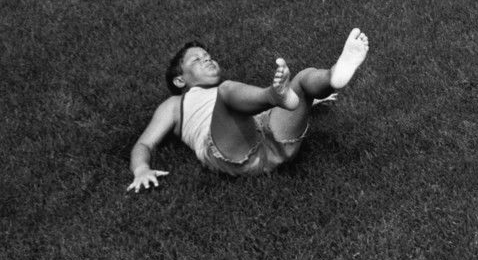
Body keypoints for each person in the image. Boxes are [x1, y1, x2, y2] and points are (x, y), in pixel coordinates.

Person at [127, 28, 369, 191]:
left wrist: (308, 103)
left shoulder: (229, 92)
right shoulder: (174, 105)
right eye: (197, 60)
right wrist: (141, 169)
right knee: (228, 91)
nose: (208, 60)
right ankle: (274, 96)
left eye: (208, 56)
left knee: (304, 77)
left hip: (270, 133)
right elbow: (144, 144)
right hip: (233, 151)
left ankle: (334, 75)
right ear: (180, 81)